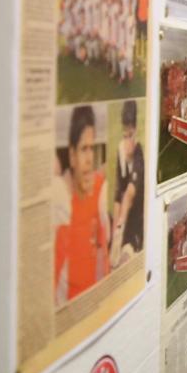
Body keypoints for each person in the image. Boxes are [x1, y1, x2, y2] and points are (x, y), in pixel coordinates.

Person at [54, 104, 110, 303]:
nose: (89, 159)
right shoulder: (61, 202)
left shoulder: (100, 190)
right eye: (83, 149)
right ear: (71, 156)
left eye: (92, 149)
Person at [113, 99, 144, 259]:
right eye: (124, 135)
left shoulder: (139, 156)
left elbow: (129, 195)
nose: (126, 142)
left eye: (130, 136)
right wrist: (114, 235)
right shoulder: (120, 150)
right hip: (123, 221)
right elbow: (119, 194)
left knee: (127, 253)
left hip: (135, 226)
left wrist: (120, 227)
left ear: (136, 131)